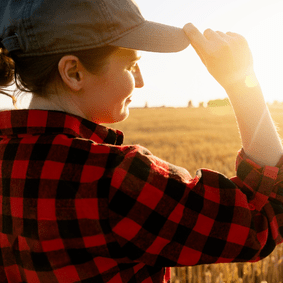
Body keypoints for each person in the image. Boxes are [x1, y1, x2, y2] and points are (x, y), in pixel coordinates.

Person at [0, 0, 282, 282]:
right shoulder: (116, 180)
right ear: (74, 72)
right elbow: (262, 218)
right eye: (132, 65)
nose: (142, 80)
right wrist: (242, 82)